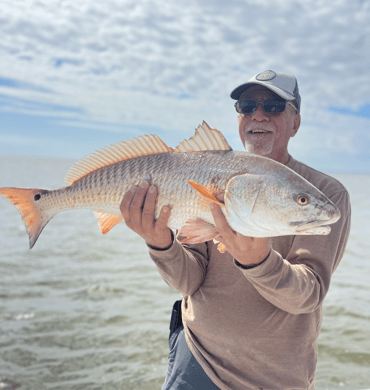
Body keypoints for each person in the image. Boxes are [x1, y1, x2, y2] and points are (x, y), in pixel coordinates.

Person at [120, 70, 351, 390]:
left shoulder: (324, 193)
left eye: (273, 106)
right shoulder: (211, 172)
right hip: (196, 362)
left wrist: (259, 261)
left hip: (275, 379)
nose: (258, 114)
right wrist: (160, 243)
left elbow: (308, 294)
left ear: (295, 122)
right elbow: (189, 281)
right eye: (246, 106)